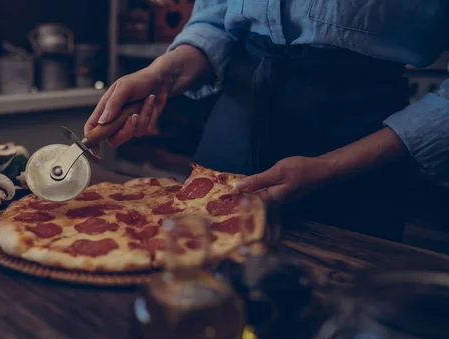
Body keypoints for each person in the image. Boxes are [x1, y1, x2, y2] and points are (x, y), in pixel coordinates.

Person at [86, 0, 449, 241]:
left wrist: (331, 167)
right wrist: (160, 76)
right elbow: (217, 21)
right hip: (234, 128)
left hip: (358, 147)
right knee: (195, 281)